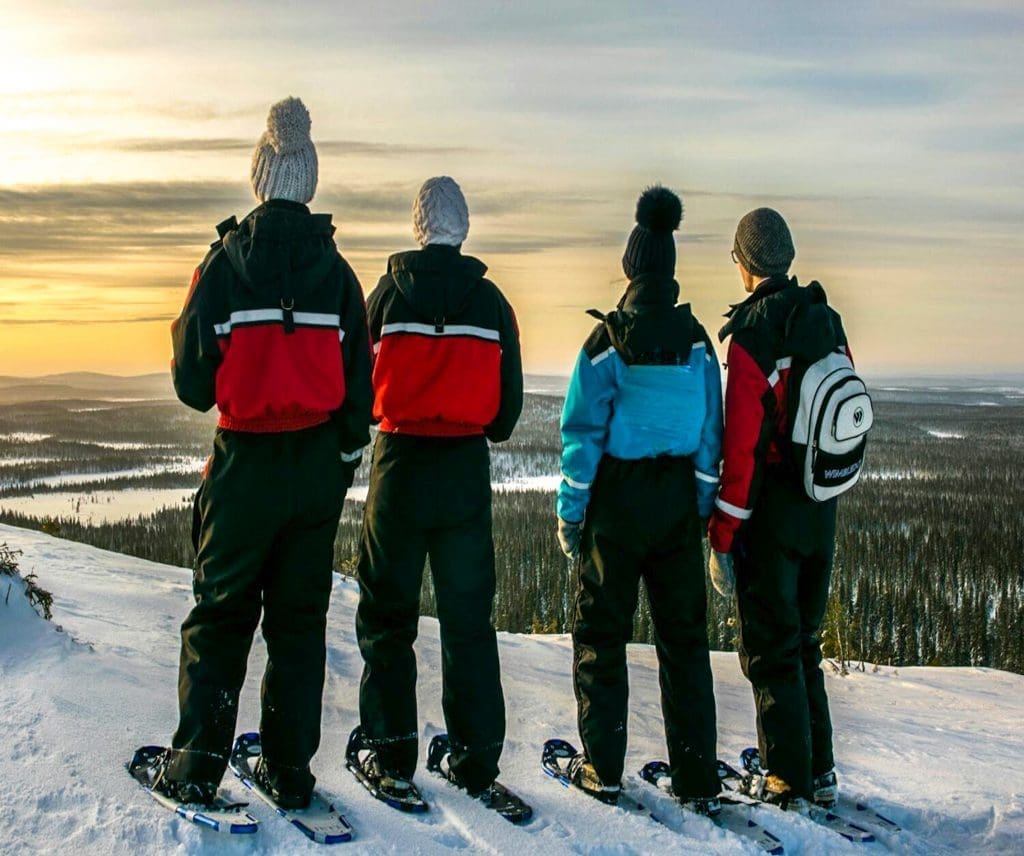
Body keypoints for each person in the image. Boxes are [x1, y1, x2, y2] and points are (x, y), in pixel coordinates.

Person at [146, 96, 372, 809]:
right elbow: (360, 395)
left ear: (260, 177)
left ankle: (196, 764)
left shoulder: (223, 264)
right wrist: (337, 463)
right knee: (298, 625)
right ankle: (289, 770)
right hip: (312, 470)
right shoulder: (339, 276)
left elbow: (191, 383)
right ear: (306, 179)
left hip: (243, 460)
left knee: (220, 615)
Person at [348, 176, 525, 815]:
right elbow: (506, 417)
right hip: (463, 471)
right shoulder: (492, 304)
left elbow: (359, 392)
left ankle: (390, 748)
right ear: (464, 228)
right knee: (469, 619)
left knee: (388, 615)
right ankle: (475, 755)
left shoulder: (387, 296)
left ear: (420, 227)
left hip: (399, 468)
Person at [556, 186, 723, 815]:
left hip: (618, 502)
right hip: (678, 499)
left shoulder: (607, 342)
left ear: (631, 267)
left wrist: (572, 515)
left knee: (602, 633)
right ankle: (697, 776)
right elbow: (711, 434)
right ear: (671, 268)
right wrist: (704, 509)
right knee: (684, 640)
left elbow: (581, 434)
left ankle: (602, 766)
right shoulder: (700, 342)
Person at [708, 207, 851, 809]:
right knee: (805, 645)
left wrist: (721, 535)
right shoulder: (824, 317)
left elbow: (741, 446)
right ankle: (818, 767)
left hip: (770, 512)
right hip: (822, 503)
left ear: (745, 263)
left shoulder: (754, 333)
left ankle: (786, 776)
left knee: (769, 648)